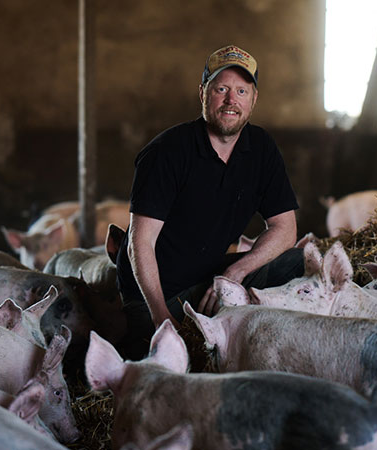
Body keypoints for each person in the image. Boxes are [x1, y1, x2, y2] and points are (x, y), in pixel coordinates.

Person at [115, 45, 304, 359]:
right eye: (221, 89)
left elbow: (285, 229)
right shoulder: (167, 152)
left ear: (254, 99)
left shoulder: (261, 149)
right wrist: (161, 316)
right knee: (167, 360)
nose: (231, 100)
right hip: (160, 291)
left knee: (295, 262)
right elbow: (140, 243)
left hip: (211, 278)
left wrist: (234, 274)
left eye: (242, 91)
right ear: (203, 93)